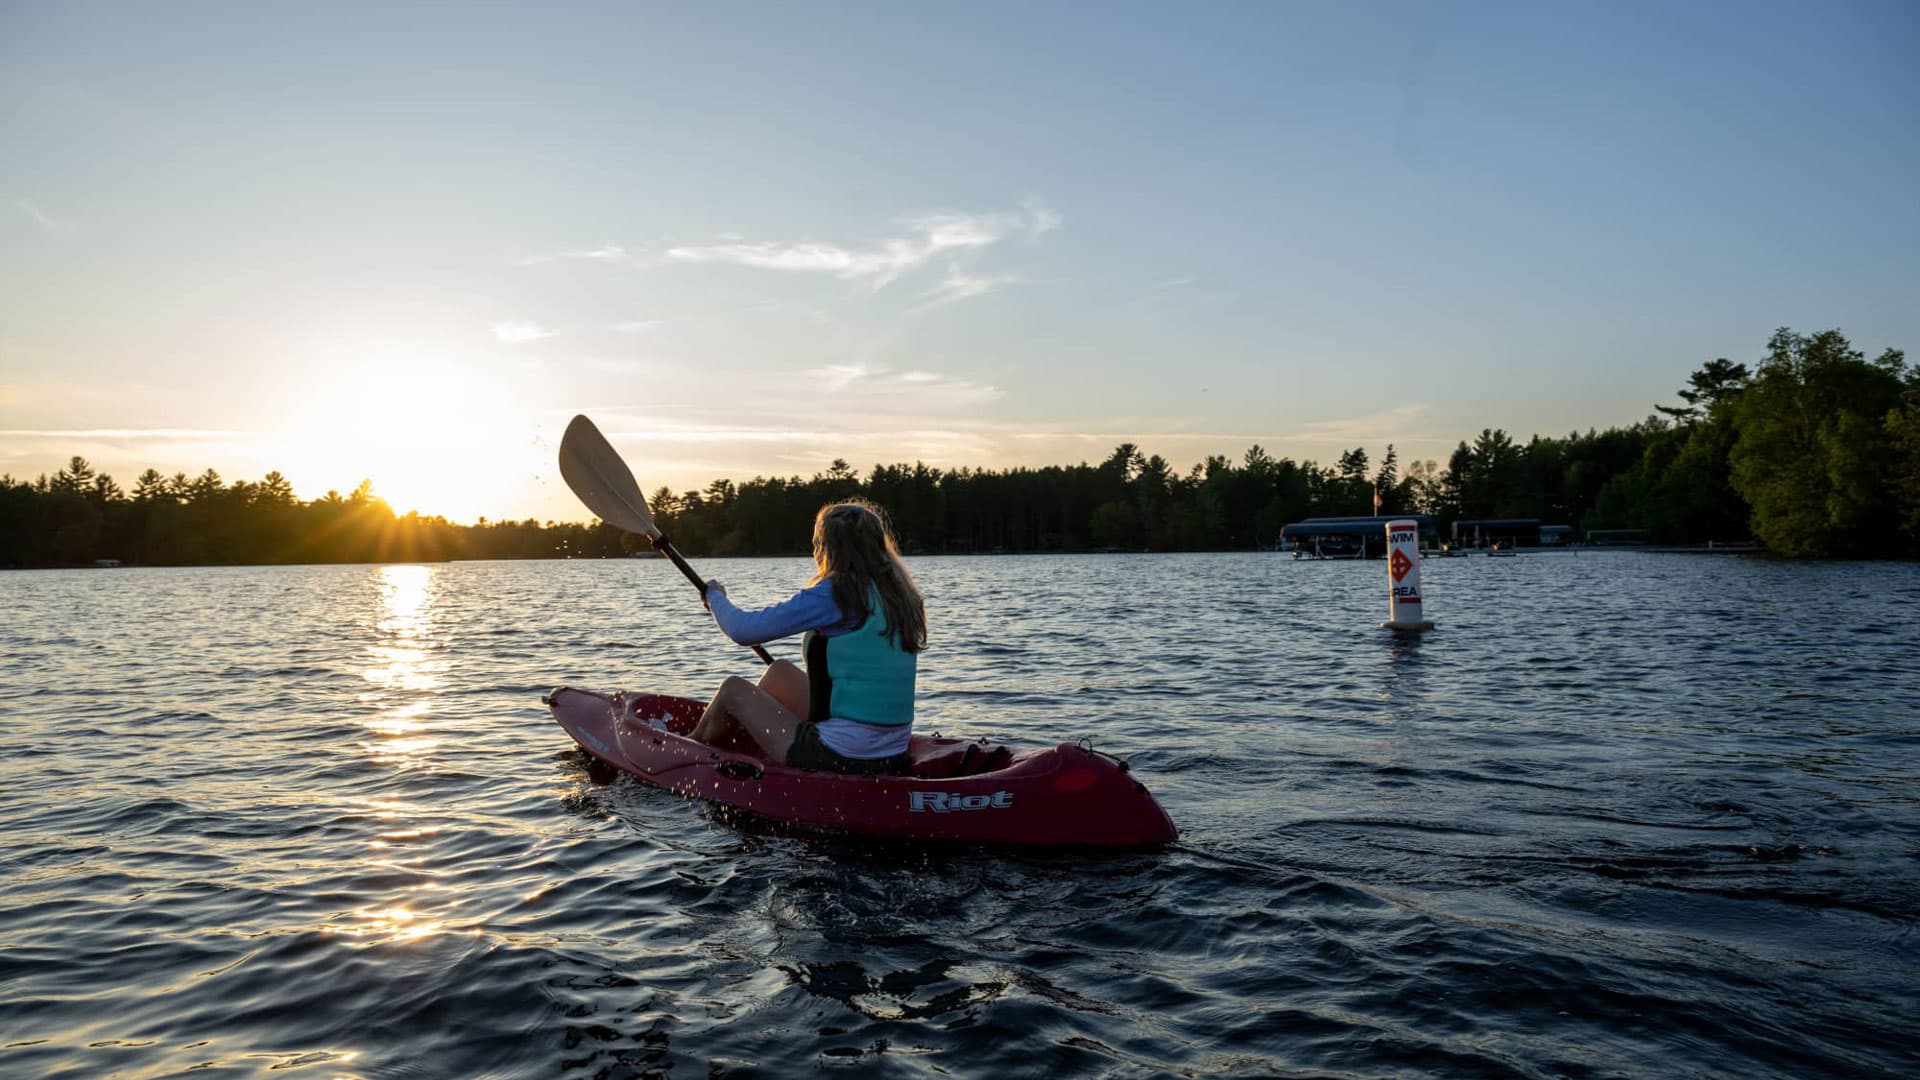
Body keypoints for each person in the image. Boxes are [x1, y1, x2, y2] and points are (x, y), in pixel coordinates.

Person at [689, 499, 927, 774]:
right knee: (779, 673)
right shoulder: (900, 595)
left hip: (842, 756)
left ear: (830, 549)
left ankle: (687, 749)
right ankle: (745, 738)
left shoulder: (836, 593)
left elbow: (743, 630)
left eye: (816, 544)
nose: (815, 553)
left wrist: (714, 597)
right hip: (894, 751)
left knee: (732, 690)